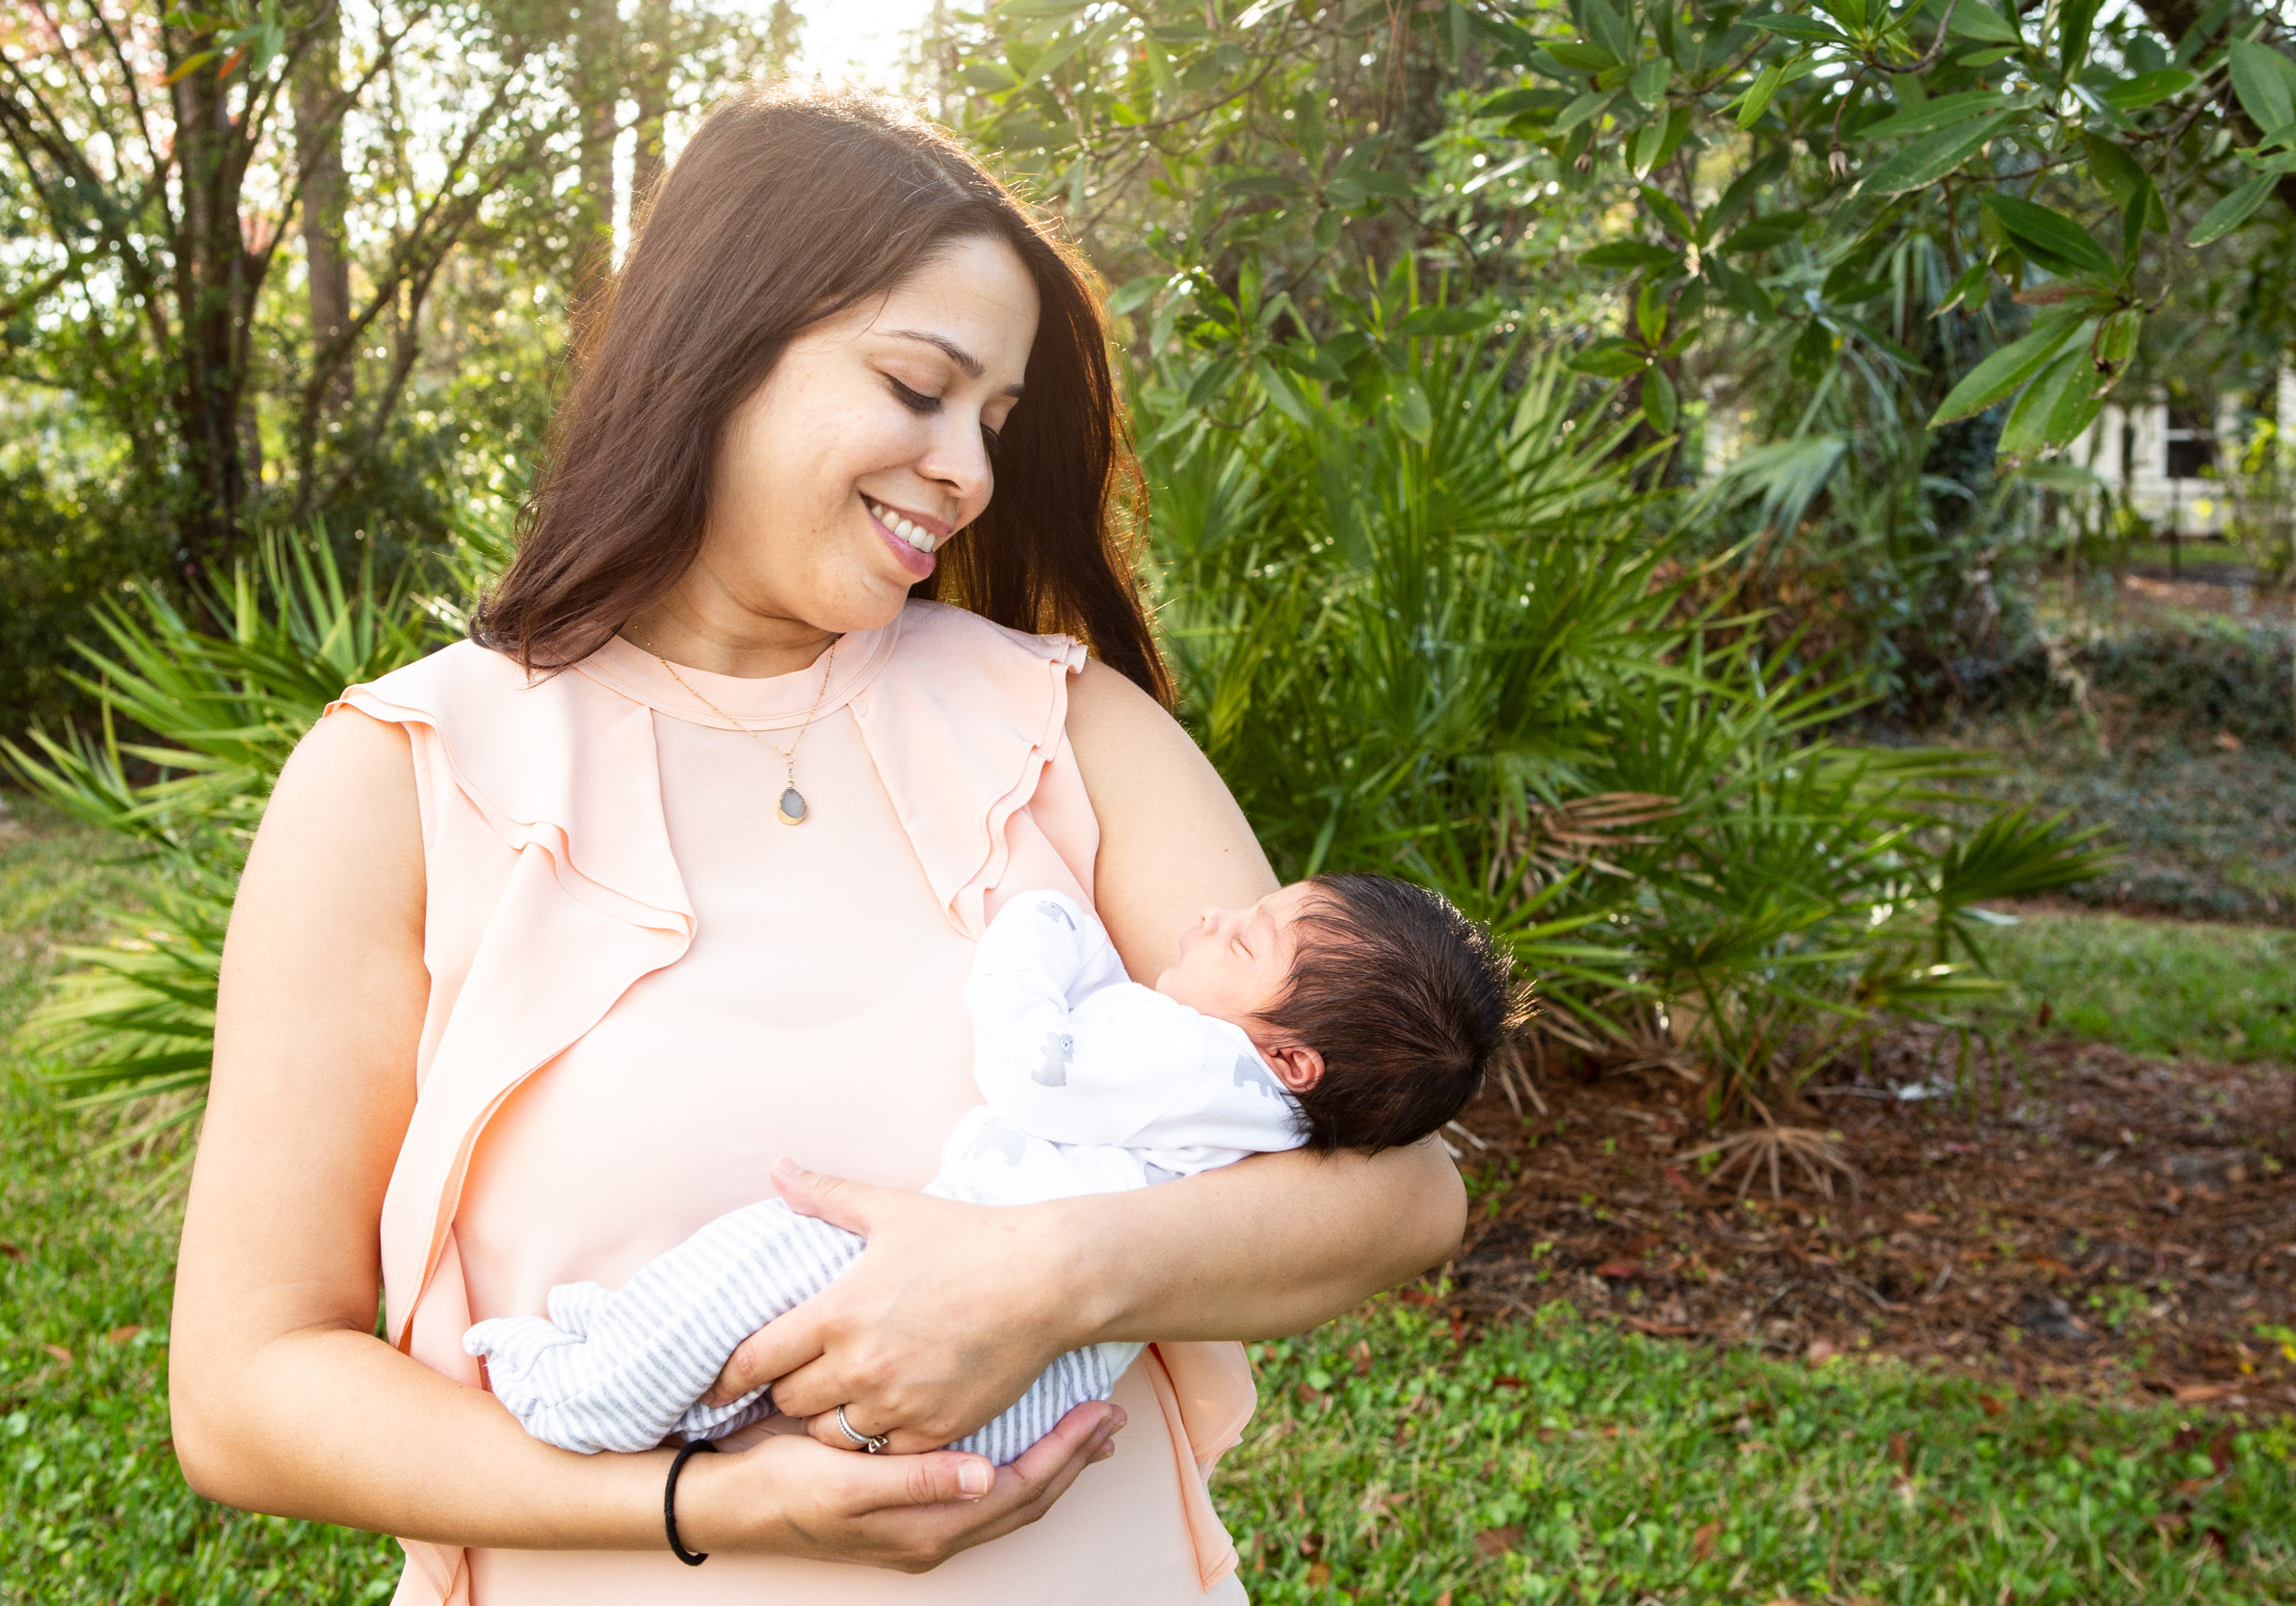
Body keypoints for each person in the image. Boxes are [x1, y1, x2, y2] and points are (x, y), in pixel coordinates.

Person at [166, 83, 1465, 1605]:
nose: (971, 470)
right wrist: (705, 1501)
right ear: (715, 346)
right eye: (919, 386)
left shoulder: (1070, 726)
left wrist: (1045, 1277)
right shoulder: (400, 776)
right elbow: (245, 1387)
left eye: (994, 421)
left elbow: (1404, 1189)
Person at [462, 877, 1523, 1463]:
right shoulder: (1277, 1121)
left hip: (954, 1276)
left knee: (751, 1264)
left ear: (1290, 1057)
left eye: (1245, 939)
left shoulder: (1193, 1058)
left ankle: (588, 1391)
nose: (1208, 913)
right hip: (1045, 1390)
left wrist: (1038, 927)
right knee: (781, 1385)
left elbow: (1038, 1068)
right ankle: (672, 1396)